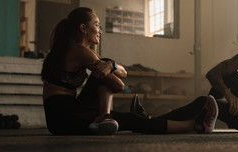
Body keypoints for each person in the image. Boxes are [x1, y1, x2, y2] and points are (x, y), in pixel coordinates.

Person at [41, 7, 218, 135]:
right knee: (130, 119)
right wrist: (110, 69)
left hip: (62, 114)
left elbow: (122, 73)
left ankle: (105, 116)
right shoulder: (81, 51)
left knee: (131, 117)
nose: (100, 30)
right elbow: (118, 84)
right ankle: (195, 125)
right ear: (83, 28)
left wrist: (111, 65)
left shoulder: (71, 49)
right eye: (96, 25)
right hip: (64, 118)